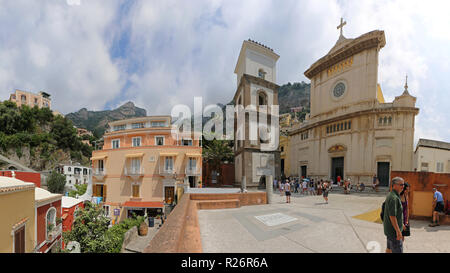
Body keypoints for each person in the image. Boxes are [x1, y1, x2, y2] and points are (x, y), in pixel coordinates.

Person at [383, 177, 405, 253]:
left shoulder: (392, 195)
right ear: (394, 185)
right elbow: (392, 216)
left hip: (390, 231)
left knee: (389, 249)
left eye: (403, 184)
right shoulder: (394, 198)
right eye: (401, 184)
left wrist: (401, 224)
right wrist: (398, 231)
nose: (403, 186)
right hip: (394, 233)